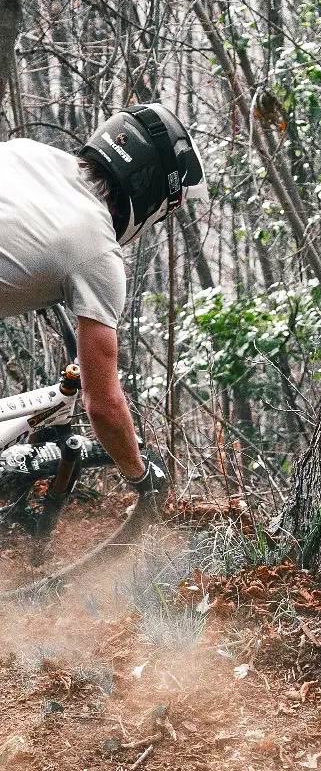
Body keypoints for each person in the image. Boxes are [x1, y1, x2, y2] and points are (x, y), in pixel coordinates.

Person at [0, 103, 209, 500]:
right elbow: (103, 406)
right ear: (148, 195)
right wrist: (140, 476)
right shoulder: (96, 251)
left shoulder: (33, 153)